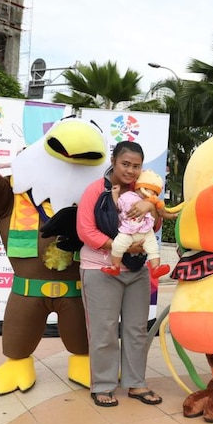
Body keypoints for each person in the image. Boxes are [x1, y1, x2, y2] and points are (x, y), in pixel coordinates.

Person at [77, 141, 164, 407]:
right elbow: (85, 231)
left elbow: (156, 225)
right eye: (125, 164)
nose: (131, 171)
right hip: (101, 269)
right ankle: (103, 385)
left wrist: (153, 207)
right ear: (114, 161)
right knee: (104, 331)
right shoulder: (96, 190)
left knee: (136, 330)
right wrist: (119, 246)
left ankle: (136, 384)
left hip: (136, 270)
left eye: (136, 166)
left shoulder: (144, 192)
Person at [101, 169, 171, 279]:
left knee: (153, 248)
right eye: (151, 190)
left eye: (156, 193)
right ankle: (115, 266)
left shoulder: (152, 202)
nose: (153, 194)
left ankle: (156, 268)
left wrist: (154, 207)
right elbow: (117, 207)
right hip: (127, 230)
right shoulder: (127, 196)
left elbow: (160, 215)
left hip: (146, 230)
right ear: (142, 188)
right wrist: (114, 194)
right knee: (117, 245)